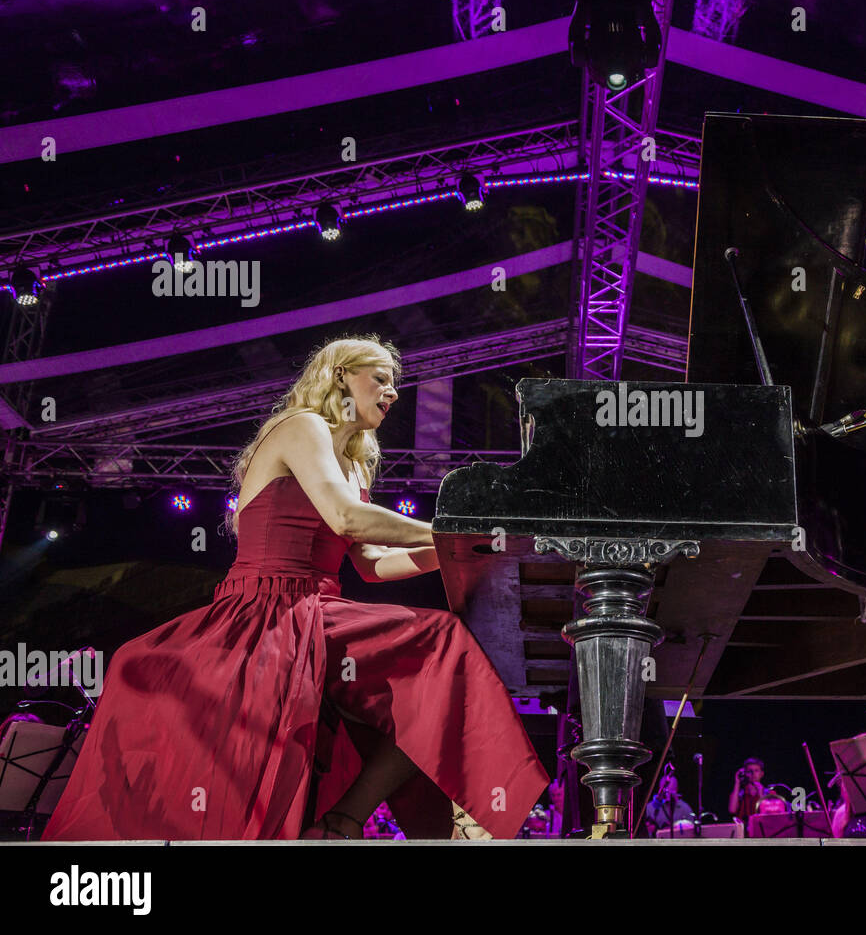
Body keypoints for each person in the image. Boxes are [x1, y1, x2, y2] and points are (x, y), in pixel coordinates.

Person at [41, 335, 549, 841]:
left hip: (318, 607)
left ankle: (345, 821)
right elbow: (346, 518)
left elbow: (372, 566)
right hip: (261, 608)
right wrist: (457, 532)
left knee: (442, 658)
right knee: (440, 641)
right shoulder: (301, 425)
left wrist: (460, 552)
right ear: (341, 376)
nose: (393, 393)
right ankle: (373, 819)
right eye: (381, 379)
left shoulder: (354, 465)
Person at [644, 767, 694, 835]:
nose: (668, 796)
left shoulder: (684, 808)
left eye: (672, 791)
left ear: (676, 790)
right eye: (665, 792)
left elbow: (691, 831)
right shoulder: (650, 807)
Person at [728, 757, 766, 823]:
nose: (753, 774)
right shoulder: (740, 794)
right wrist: (737, 782)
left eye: (756, 771)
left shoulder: (768, 793)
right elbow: (732, 810)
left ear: (762, 774)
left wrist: (760, 793)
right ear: (745, 774)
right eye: (749, 771)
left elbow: (766, 812)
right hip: (743, 831)